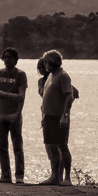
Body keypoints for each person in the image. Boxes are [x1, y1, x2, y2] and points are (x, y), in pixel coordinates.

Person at [37, 56, 79, 184]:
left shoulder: (62, 76)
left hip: (58, 116)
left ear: (50, 63)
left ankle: (66, 178)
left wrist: (65, 114)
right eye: (40, 67)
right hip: (48, 116)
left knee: (62, 146)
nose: (43, 68)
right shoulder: (49, 77)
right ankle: (55, 177)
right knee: (52, 147)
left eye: (44, 64)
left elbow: (72, 94)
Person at [0, 47, 27, 184]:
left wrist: (17, 114)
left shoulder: (20, 75)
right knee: (2, 147)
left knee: (17, 147)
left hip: (14, 115)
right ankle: (5, 175)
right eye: (5, 57)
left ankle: (19, 176)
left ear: (15, 59)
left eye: (10, 57)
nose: (7, 59)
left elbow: (22, 96)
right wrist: (12, 95)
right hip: (0, 114)